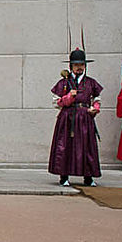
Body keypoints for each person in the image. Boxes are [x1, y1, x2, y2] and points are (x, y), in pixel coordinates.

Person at [48, 49, 103, 187]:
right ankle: (64, 177)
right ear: (71, 66)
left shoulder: (91, 83)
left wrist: (95, 108)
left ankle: (88, 177)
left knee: (87, 147)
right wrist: (69, 97)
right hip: (68, 118)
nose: (79, 67)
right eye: (76, 64)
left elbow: (96, 99)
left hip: (85, 118)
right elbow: (56, 102)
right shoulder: (63, 83)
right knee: (65, 146)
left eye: (82, 64)